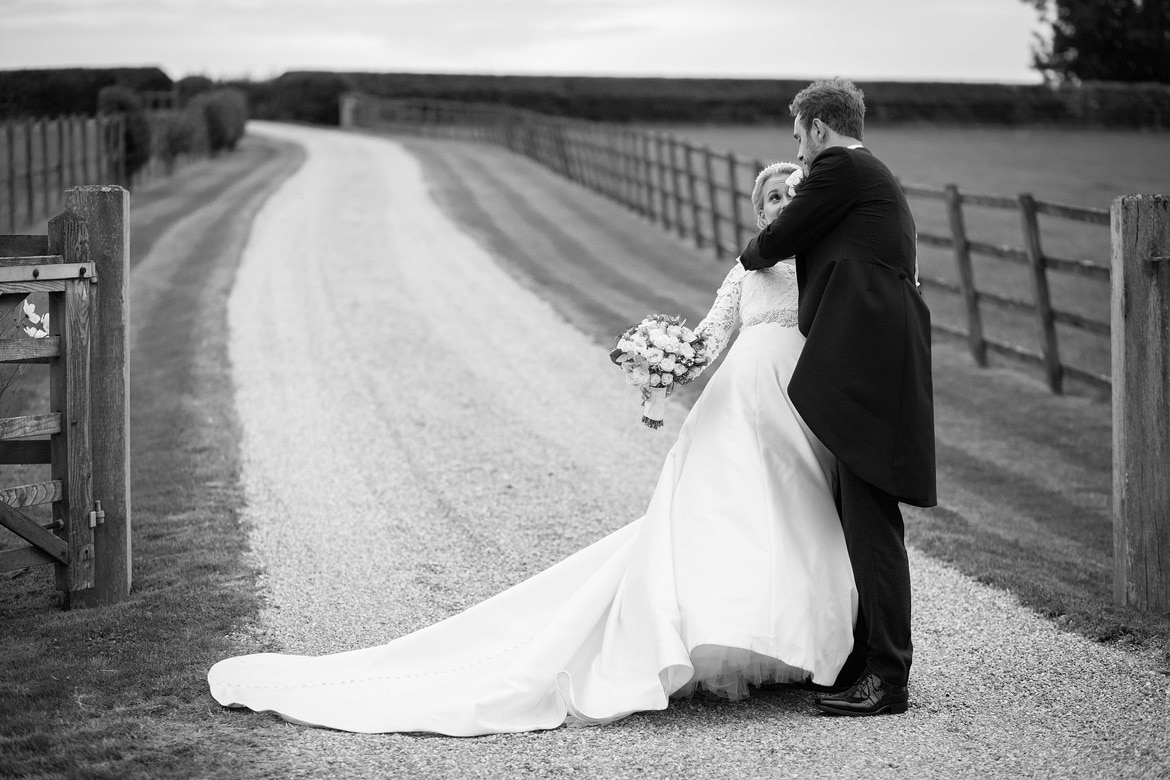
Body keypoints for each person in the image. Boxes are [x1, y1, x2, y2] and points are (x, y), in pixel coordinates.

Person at [207, 162, 857, 735]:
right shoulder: (744, 270)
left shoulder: (823, 258)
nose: (779, 205)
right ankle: (715, 634)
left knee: (795, 514)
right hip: (736, 405)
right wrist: (662, 368)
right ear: (758, 209)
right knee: (720, 516)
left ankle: (802, 643)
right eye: (770, 197)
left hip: (799, 401)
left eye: (790, 194)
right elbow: (710, 339)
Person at [738, 78, 937, 717]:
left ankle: (886, 678)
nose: (796, 157)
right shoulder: (863, 177)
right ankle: (861, 662)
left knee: (871, 521)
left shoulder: (840, 168)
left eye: (798, 139)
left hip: (869, 367)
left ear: (819, 129)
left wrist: (750, 252)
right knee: (857, 513)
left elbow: (774, 240)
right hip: (871, 361)